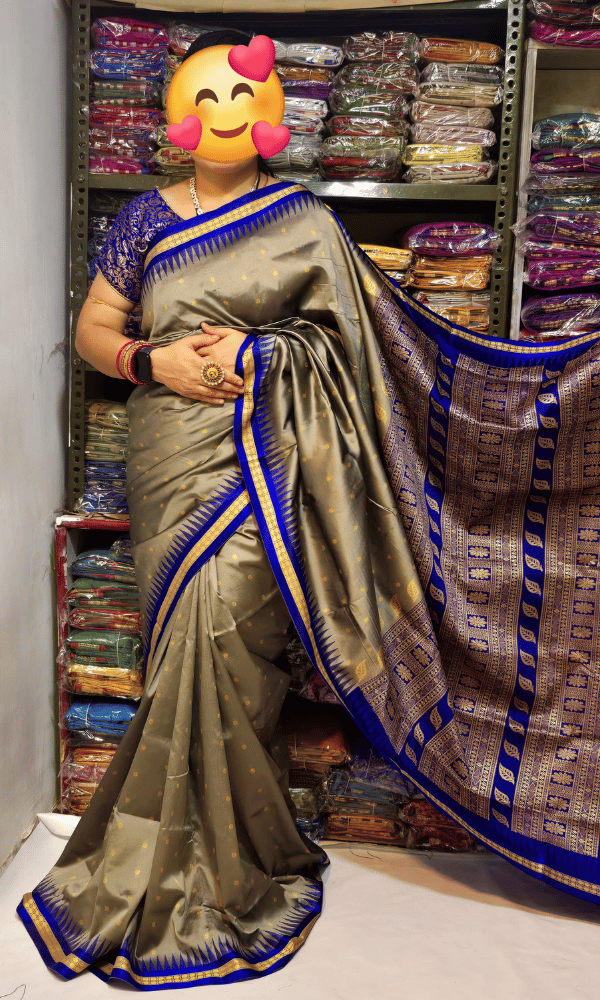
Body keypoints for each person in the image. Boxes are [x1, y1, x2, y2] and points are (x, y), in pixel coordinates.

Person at [17, 28, 600, 994]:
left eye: (241, 99)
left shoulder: (308, 221)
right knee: (176, 649)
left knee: (230, 646)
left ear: (273, 115)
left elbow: (362, 348)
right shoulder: (142, 221)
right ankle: (167, 860)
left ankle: (231, 866)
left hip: (272, 465)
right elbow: (93, 330)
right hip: (171, 458)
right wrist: (150, 361)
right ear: (177, 111)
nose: (223, 118)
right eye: (205, 99)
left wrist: (267, 358)